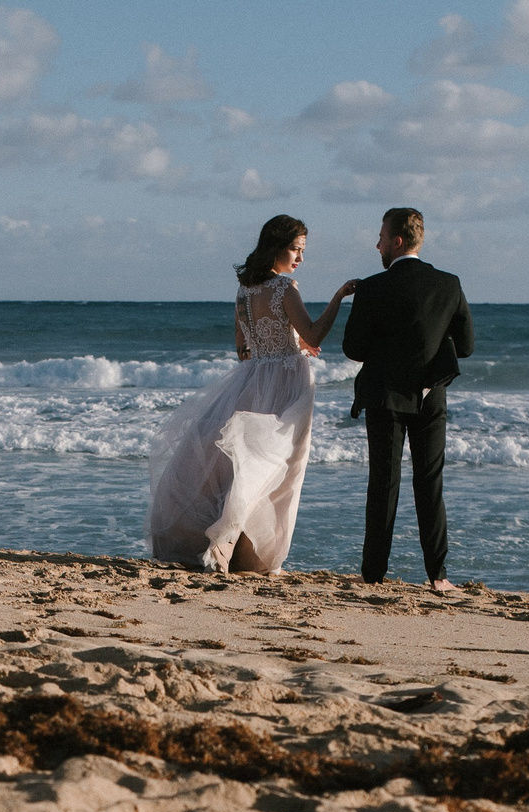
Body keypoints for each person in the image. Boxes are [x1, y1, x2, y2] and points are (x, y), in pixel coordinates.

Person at [145, 215, 358, 573]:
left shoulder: (245, 291)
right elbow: (315, 334)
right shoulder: (285, 288)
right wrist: (339, 297)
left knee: (245, 466)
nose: (300, 258)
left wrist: (286, 347)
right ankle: (245, 554)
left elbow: (243, 348)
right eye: (296, 249)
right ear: (276, 247)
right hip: (288, 385)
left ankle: (227, 547)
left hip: (251, 379)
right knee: (276, 470)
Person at [340, 206, 473, 592]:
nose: (376, 243)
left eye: (380, 237)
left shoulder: (372, 287)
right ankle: (439, 576)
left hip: (384, 396)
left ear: (396, 241)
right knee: (430, 483)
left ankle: (373, 575)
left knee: (383, 483)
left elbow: (353, 348)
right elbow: (465, 346)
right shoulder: (449, 284)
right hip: (431, 396)